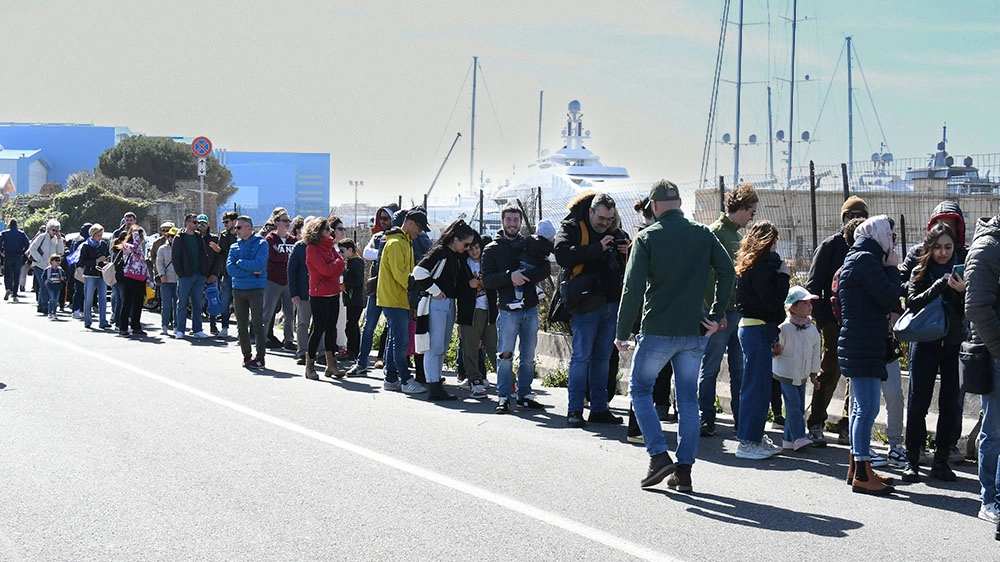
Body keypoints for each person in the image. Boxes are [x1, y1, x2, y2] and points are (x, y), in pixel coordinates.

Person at [614, 179, 734, 491]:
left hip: (657, 331)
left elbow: (633, 289)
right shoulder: (702, 233)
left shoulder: (647, 238)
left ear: (653, 207)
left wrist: (622, 331)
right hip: (694, 333)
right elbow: (728, 271)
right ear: (680, 204)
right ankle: (684, 471)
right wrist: (717, 314)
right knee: (687, 402)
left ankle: (657, 455)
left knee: (639, 390)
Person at [553, 191, 629, 428]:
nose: (604, 224)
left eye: (609, 220)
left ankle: (599, 408)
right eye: (601, 219)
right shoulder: (573, 226)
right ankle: (575, 409)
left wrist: (627, 251)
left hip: (611, 301)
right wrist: (597, 248)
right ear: (591, 212)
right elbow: (562, 254)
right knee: (581, 357)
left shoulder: (615, 230)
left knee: (603, 358)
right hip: (585, 304)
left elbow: (628, 254)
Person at [838, 215, 900, 496]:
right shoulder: (866, 259)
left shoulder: (859, 256)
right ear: (878, 235)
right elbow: (889, 296)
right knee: (867, 408)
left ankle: (857, 466)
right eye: (890, 234)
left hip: (860, 341)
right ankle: (862, 471)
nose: (893, 240)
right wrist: (893, 267)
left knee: (858, 409)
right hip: (863, 344)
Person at [901, 223, 965, 483]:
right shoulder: (921, 270)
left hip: (951, 344)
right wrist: (940, 285)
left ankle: (941, 462)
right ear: (929, 247)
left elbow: (969, 309)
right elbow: (913, 302)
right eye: (937, 247)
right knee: (918, 405)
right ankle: (912, 461)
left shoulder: (962, 272)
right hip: (925, 343)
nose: (943, 252)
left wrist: (962, 292)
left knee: (949, 405)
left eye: (948, 247)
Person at [805, 195, 869, 446]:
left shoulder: (869, 246)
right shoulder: (830, 246)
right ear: (843, 219)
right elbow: (813, 285)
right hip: (834, 323)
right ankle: (816, 422)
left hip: (860, 323)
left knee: (856, 378)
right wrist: (824, 321)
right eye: (851, 216)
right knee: (829, 371)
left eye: (860, 216)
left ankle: (846, 424)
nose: (855, 220)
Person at [699, 183, 758, 437]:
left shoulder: (738, 235)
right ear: (742, 208)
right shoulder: (716, 233)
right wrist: (717, 310)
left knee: (739, 368)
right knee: (710, 366)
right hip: (722, 313)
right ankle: (706, 417)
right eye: (752, 212)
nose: (752, 217)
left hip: (738, 312)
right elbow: (709, 277)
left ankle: (740, 418)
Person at [482, 203, 550, 414]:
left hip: (530, 307)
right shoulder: (491, 248)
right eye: (509, 220)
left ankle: (525, 395)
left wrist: (526, 276)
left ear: (520, 222)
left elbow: (546, 267)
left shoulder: (529, 244)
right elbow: (487, 280)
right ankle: (503, 397)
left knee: (528, 356)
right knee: (505, 355)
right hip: (507, 310)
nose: (512, 224)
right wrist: (510, 278)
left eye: (516, 220)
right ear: (502, 221)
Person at [733, 220, 791, 460]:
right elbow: (772, 301)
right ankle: (748, 442)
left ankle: (753, 437)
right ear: (772, 241)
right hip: (758, 329)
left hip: (750, 327)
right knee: (758, 388)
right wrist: (784, 277)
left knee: (754, 386)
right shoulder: (767, 265)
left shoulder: (748, 263)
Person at [413, 219, 477, 400]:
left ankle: (435, 383)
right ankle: (433, 385)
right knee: (435, 346)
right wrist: (435, 291)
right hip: (438, 303)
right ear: (456, 239)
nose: (467, 248)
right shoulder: (441, 251)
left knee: (441, 346)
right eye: (466, 244)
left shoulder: (455, 255)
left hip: (447, 302)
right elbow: (418, 271)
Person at [965, 210, 1000, 524]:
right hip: (994, 354)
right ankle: (990, 498)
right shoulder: (988, 247)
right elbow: (976, 306)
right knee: (995, 429)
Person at [378, 208, 429, 394]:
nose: (420, 232)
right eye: (419, 227)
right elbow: (401, 275)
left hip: (398, 299)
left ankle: (391, 378)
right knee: (400, 340)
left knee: (395, 339)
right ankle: (405, 379)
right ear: (410, 223)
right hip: (394, 299)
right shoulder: (396, 244)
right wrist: (418, 282)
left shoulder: (403, 242)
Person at [345, 206, 396, 376]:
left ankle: (389, 365)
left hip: (393, 289)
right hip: (377, 288)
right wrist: (385, 253)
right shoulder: (378, 237)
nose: (382, 221)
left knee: (392, 329)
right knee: (368, 326)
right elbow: (366, 253)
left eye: (386, 218)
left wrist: (382, 254)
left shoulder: (399, 238)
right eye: (380, 218)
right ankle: (361, 363)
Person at [772, 286, 821, 451]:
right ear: (792, 306)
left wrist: (814, 374)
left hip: (802, 374)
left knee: (798, 407)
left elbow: (816, 353)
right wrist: (776, 350)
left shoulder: (812, 329)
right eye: (805, 303)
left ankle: (788, 439)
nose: (810, 306)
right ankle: (800, 437)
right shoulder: (784, 328)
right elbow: (778, 347)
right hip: (786, 373)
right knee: (793, 406)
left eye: (810, 303)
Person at [303, 217, 347, 380]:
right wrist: (336, 266)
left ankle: (331, 364)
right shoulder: (312, 249)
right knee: (318, 329)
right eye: (327, 230)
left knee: (331, 328)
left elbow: (340, 264)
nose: (331, 232)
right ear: (319, 231)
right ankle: (310, 365)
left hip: (333, 292)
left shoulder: (330, 247)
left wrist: (335, 266)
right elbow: (325, 270)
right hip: (319, 294)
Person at [227, 215, 269, 369]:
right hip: (238, 289)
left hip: (255, 289)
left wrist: (241, 264)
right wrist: (250, 271)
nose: (235, 230)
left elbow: (260, 263)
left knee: (257, 323)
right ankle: (246, 355)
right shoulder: (234, 247)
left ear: (248, 228)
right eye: (235, 227)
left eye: (238, 227)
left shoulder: (261, 244)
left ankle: (260, 357)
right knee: (241, 325)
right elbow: (230, 269)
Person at [457, 233, 496, 399]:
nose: (474, 251)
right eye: (471, 248)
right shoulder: (462, 264)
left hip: (490, 311)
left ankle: (508, 381)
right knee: (470, 348)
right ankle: (475, 381)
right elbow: (455, 286)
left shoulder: (488, 262)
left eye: (477, 248)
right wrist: (468, 285)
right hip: (470, 312)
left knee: (495, 348)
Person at [172, 214, 215, 339]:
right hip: (185, 275)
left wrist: (204, 272)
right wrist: (180, 273)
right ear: (187, 223)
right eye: (194, 222)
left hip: (199, 275)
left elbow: (204, 254)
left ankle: (197, 329)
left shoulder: (198, 237)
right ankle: (180, 329)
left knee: (197, 303)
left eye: (197, 222)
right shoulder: (179, 238)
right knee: (182, 303)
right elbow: (176, 258)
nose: (197, 225)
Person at [262, 208, 298, 351]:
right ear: (276, 223)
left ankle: (289, 340)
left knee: (290, 313)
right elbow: (272, 256)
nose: (287, 223)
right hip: (273, 280)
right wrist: (285, 258)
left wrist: (283, 257)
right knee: (267, 311)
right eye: (284, 221)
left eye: (289, 220)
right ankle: (262, 337)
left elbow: (294, 259)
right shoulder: (270, 239)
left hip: (289, 281)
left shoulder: (293, 240)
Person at [510, 219, 556, 309]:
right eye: (552, 236)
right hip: (537, 265)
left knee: (519, 281)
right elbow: (555, 250)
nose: (553, 238)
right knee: (535, 278)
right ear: (548, 236)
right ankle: (538, 290)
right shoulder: (548, 245)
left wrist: (513, 245)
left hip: (524, 262)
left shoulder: (530, 238)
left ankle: (518, 298)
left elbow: (521, 244)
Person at [114, 225, 150, 337]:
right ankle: (123, 327)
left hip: (140, 277)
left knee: (138, 303)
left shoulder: (142, 247)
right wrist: (135, 232)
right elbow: (135, 248)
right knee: (127, 302)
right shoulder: (127, 245)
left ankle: (136, 326)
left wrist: (147, 277)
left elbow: (143, 263)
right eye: (138, 235)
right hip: (129, 276)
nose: (140, 238)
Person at [27, 219, 65, 314]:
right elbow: (32, 248)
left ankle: (41, 306)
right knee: (44, 285)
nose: (55, 232)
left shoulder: (56, 240)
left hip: (49, 267)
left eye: (57, 230)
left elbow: (60, 252)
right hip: (39, 265)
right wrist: (39, 259)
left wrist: (60, 239)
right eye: (53, 230)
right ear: (48, 229)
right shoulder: (42, 237)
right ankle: (44, 306)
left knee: (44, 286)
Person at [78, 223, 111, 329]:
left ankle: (103, 321)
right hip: (90, 274)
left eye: (101, 234)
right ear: (93, 234)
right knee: (88, 298)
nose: (100, 237)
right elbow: (82, 261)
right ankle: (87, 320)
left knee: (103, 298)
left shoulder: (103, 244)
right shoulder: (86, 245)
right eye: (98, 235)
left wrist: (106, 260)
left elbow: (107, 255)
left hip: (102, 274)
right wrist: (96, 261)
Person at [196, 214, 224, 335]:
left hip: (212, 274)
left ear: (208, 224)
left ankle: (213, 325)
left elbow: (219, 258)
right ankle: (196, 326)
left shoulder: (214, 239)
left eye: (203, 223)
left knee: (213, 300)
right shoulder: (194, 238)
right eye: (199, 223)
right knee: (196, 301)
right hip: (198, 274)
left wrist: (214, 274)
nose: (201, 226)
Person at [338, 238, 365, 362]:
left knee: (351, 326)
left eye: (342, 251)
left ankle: (352, 351)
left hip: (355, 299)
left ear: (350, 249)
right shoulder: (350, 261)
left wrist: (345, 285)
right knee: (352, 325)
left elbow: (359, 280)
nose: (341, 254)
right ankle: (353, 350)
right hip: (351, 299)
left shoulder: (356, 262)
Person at [217, 211, 240, 337]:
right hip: (227, 274)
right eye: (223, 222)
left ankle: (240, 329)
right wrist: (218, 251)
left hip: (240, 274)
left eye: (227, 222)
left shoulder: (241, 235)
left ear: (234, 221)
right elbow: (222, 254)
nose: (225, 224)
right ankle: (224, 327)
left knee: (239, 303)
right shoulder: (224, 236)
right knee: (225, 301)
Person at [156, 227, 179, 335]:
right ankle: (164, 325)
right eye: (169, 236)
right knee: (166, 304)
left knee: (177, 304)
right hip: (166, 280)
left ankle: (177, 325)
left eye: (173, 236)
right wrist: (162, 275)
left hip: (178, 280)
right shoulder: (162, 249)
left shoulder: (181, 248)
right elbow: (159, 262)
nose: (171, 238)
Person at [0, 219, 30, 302]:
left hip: (8, 255)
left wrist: (2, 251)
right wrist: (23, 252)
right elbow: (28, 245)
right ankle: (14, 295)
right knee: (17, 275)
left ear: (9, 225)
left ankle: (8, 288)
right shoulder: (21, 234)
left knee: (7, 274)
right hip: (18, 256)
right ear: (17, 225)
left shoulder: (4, 233)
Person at [42, 255, 65, 320]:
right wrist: (45, 280)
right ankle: (50, 312)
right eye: (56, 260)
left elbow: (64, 277)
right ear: (51, 261)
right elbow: (43, 276)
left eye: (59, 260)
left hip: (58, 286)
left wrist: (63, 278)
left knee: (56, 300)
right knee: (52, 298)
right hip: (50, 286)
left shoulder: (60, 270)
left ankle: (54, 312)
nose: (58, 262)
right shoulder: (48, 269)